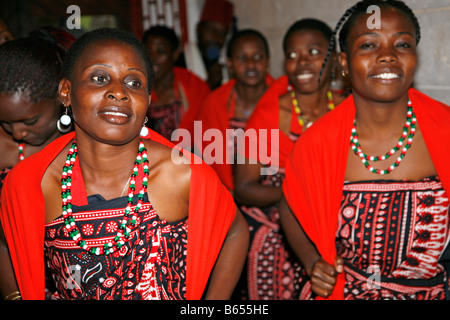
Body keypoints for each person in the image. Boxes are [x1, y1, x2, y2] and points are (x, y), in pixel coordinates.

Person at [0, 27, 249, 300]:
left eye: (134, 83)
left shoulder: (179, 173)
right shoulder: (33, 182)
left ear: (148, 101)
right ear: (66, 92)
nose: (118, 92)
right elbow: (6, 239)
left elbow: (234, 229)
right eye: (99, 78)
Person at [281, 0, 450, 300]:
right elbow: (290, 204)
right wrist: (311, 261)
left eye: (402, 44)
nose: (387, 56)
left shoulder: (444, 129)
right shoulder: (317, 143)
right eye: (369, 45)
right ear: (344, 63)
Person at [233, 18, 344, 300]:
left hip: (331, 226)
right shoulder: (271, 114)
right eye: (293, 55)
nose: (302, 62)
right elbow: (244, 187)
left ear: (334, 60)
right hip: (275, 228)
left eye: (314, 52)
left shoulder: (346, 107)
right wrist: (300, 194)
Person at [195, 29, 274, 192]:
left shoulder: (284, 98)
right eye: (242, 58)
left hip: (278, 196)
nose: (251, 64)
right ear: (229, 63)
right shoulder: (215, 103)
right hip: (228, 198)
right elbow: (205, 160)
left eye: (258, 57)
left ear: (267, 61)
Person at [0, 29, 75, 191]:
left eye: (29, 121)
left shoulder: (89, 139)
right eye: (5, 122)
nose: (17, 133)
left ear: (62, 94)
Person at [142, 25, 210, 145]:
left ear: (175, 54)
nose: (152, 58)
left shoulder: (194, 86)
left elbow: (209, 130)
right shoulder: (137, 88)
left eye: (160, 51)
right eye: (147, 51)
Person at [183, 0, 234, 90]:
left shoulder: (229, 65)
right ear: (199, 29)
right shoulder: (181, 63)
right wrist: (209, 84)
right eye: (211, 30)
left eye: (222, 34)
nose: (216, 38)